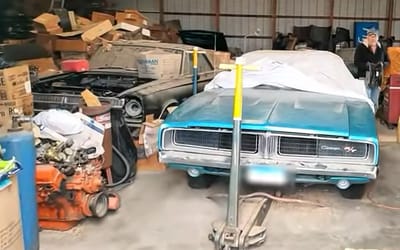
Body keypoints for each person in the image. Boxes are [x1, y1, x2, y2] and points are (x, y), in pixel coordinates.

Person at [354, 30, 384, 109]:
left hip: (376, 77)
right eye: (371, 36)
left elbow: (385, 59)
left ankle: (373, 116)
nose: (373, 38)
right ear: (367, 37)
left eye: (374, 36)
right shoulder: (361, 47)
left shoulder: (380, 47)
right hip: (364, 77)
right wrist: (369, 66)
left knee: (374, 100)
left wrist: (381, 65)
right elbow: (356, 62)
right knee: (366, 100)